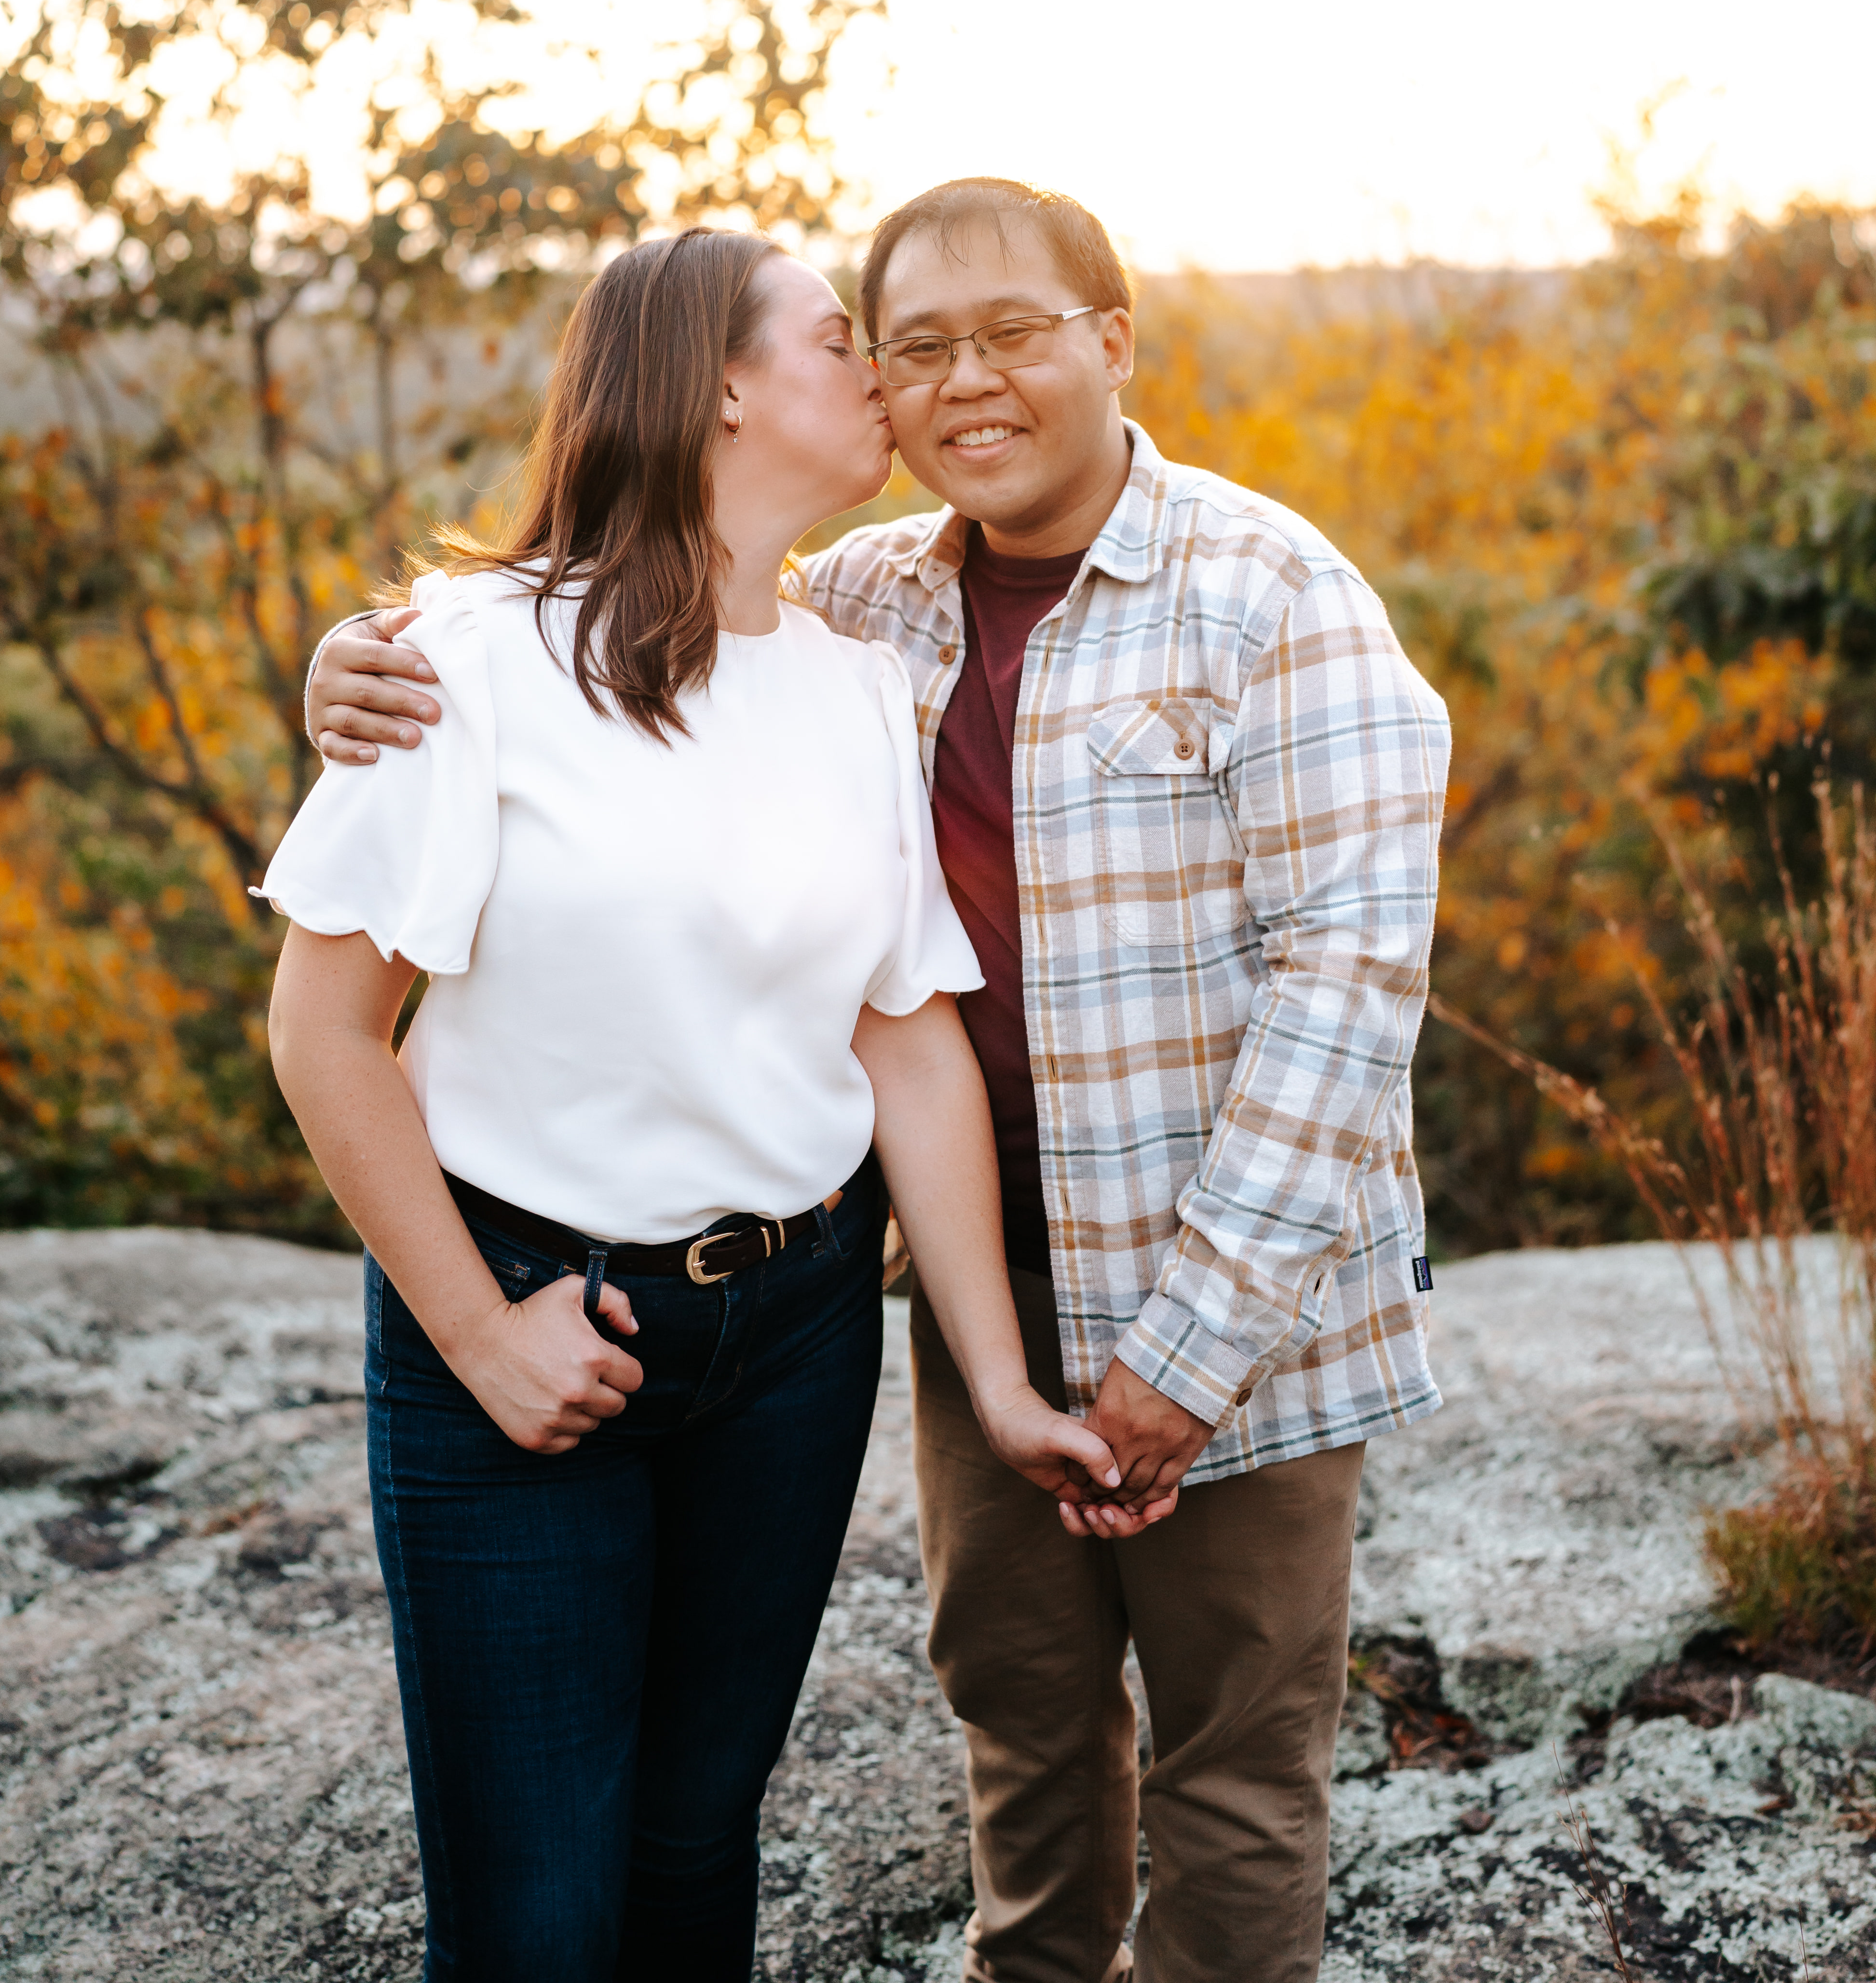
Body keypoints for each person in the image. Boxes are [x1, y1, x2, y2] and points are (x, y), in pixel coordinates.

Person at [310, 178, 1452, 1983]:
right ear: (746, 393)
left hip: (1195, 1279)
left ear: (1112, 344)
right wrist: (364, 672)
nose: (949, 381)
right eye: (898, 345)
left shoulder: (1265, 601)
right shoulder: (854, 607)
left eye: (1009, 335)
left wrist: (1177, 1351)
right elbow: (589, 629)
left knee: (1214, 1770)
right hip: (826, 1280)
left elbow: (1340, 994)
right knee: (1007, 1712)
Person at [263, 226, 1162, 1983]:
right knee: (535, 1913)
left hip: (796, 1335)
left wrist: (995, 1382)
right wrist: (481, 1334)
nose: (892, 380)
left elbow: (904, 1042)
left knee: (694, 1855)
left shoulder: (853, 683)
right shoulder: (473, 660)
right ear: (722, 385)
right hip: (533, 1319)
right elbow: (323, 1033)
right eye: (851, 343)